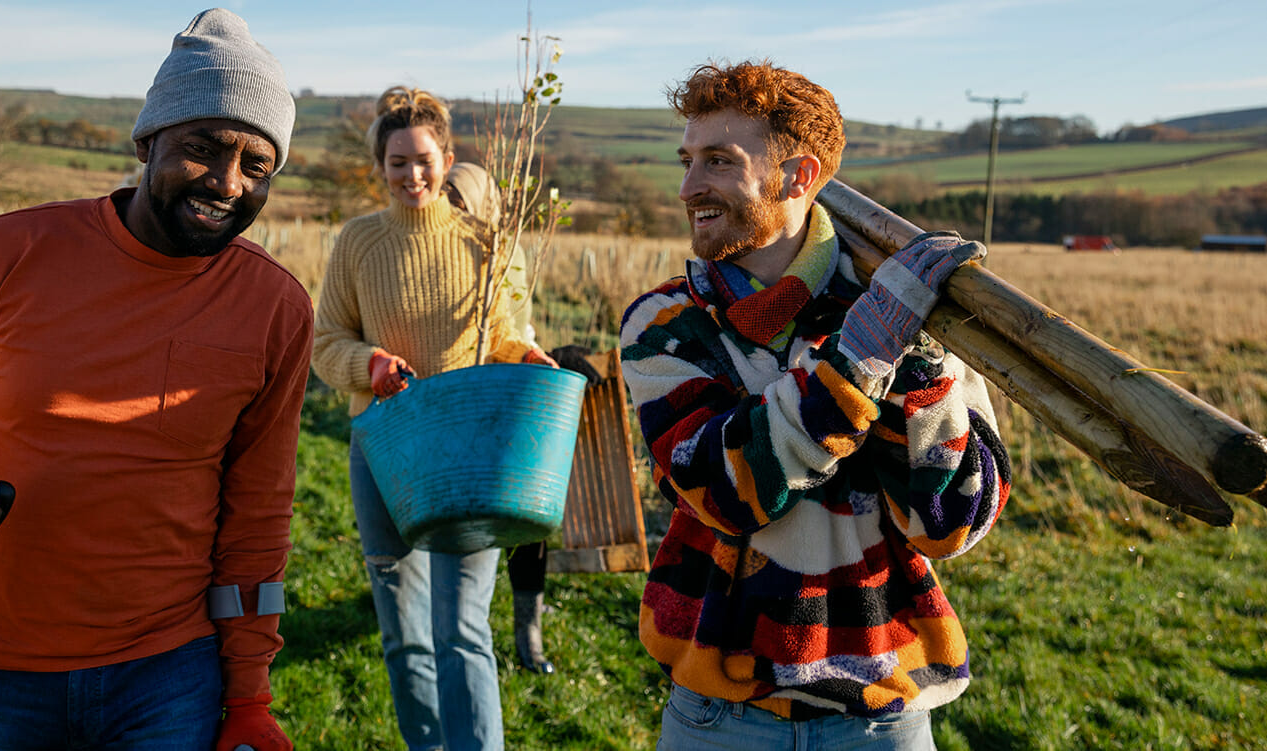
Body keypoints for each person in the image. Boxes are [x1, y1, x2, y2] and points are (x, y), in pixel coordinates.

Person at [0, 9, 309, 750]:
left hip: (169, 672)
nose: (226, 181)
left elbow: (256, 516)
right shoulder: (5, 255)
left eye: (256, 165)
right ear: (147, 141)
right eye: (202, 148)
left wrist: (247, 695)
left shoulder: (275, 307)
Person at [618, 60, 1012, 750]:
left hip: (882, 715)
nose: (687, 188)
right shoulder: (665, 324)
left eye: (717, 161)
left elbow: (947, 522)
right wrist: (855, 362)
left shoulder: (904, 316)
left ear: (798, 177)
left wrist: (914, 358)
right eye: (686, 161)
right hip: (718, 720)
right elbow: (727, 489)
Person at [311, 88, 556, 751]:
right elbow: (325, 340)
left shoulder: (490, 244)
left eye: (423, 159)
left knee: (461, 628)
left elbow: (505, 338)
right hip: (383, 446)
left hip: (467, 454)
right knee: (403, 627)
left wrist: (526, 355)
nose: (411, 175)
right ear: (379, 165)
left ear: (446, 159)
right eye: (396, 162)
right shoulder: (358, 242)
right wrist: (369, 365)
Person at [444, 162, 602, 677]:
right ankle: (447, 614)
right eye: (446, 196)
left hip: (505, 396)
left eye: (459, 198)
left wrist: (528, 358)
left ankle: (525, 631)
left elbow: (514, 327)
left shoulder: (505, 256)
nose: (449, 206)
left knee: (524, 515)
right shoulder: (430, 254)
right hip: (451, 402)